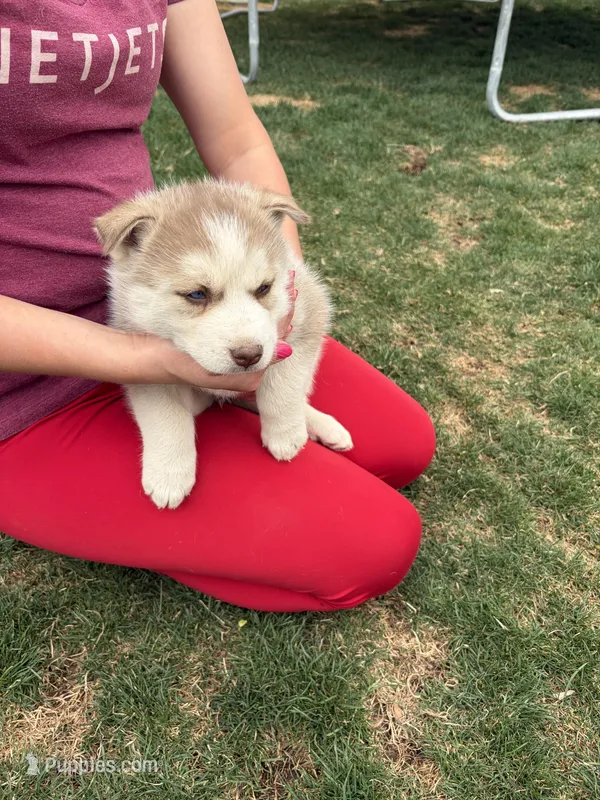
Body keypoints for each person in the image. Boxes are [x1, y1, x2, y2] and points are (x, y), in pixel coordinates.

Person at [0, 0, 435, 612]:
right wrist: (145, 358)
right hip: (27, 385)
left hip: (172, 306)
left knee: (402, 445)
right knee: (374, 546)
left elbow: (235, 140)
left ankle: (228, 409)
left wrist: (277, 291)